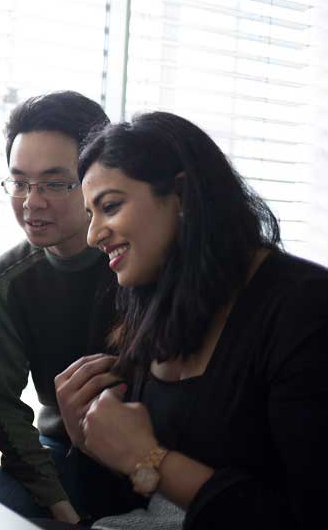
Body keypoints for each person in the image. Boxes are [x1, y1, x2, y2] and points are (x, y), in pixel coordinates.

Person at [59, 111, 327, 529]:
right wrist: (89, 441)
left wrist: (148, 459)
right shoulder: (149, 301)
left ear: (182, 197)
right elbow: (121, 506)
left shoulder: (306, 309)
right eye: (90, 214)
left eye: (109, 206)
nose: (93, 235)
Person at [0, 91, 136, 524]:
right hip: (55, 454)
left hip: (144, 453)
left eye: (54, 183)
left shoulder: (141, 259)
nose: (31, 201)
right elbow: (0, 402)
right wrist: (59, 505)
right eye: (20, 182)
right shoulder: (10, 279)